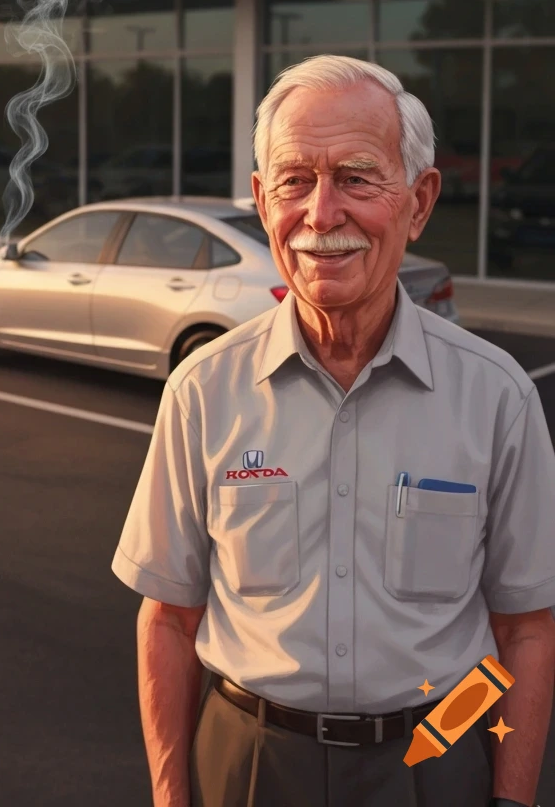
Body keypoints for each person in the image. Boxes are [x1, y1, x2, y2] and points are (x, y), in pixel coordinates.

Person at [112, 55, 555, 807]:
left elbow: (527, 631)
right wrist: (169, 796)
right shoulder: (203, 390)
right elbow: (169, 620)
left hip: (436, 755)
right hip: (248, 763)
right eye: (293, 181)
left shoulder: (498, 397)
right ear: (261, 200)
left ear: (418, 203)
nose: (320, 215)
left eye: (356, 176)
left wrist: (505, 798)